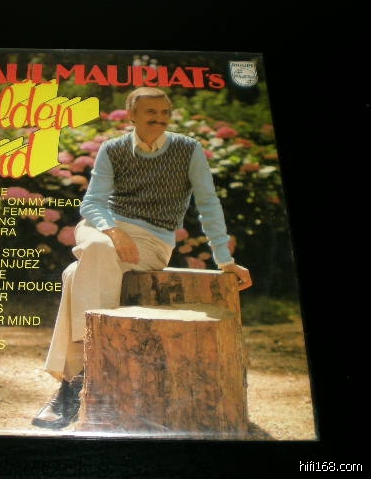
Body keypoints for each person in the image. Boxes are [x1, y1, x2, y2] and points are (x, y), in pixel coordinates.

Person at [31, 86, 253, 430]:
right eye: (151, 112)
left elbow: (208, 204)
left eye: (165, 113)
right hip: (102, 229)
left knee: (76, 273)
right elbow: (92, 203)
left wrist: (224, 259)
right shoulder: (113, 149)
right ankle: (85, 375)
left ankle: (72, 383)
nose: (160, 119)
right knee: (98, 249)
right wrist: (113, 231)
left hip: (152, 239)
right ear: (132, 115)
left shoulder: (188, 149)